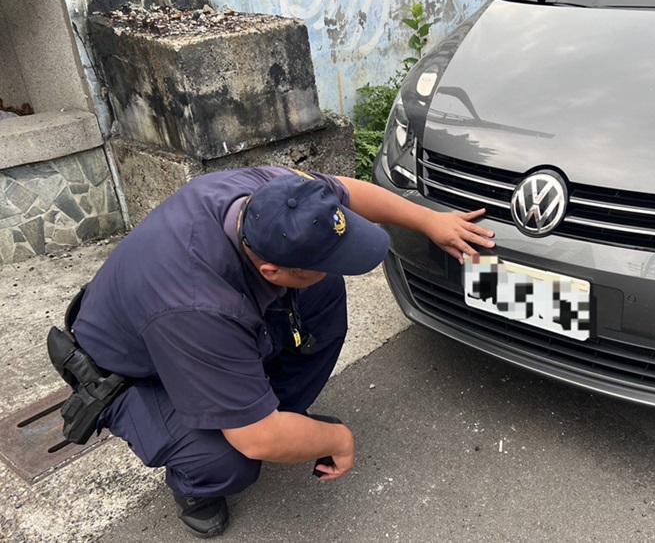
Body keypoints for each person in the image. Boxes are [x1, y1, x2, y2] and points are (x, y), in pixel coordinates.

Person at [65, 166, 495, 537]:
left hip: (180, 318)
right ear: (269, 270)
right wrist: (338, 439)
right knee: (229, 456)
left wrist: (428, 220)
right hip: (128, 372)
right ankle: (194, 485)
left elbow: (344, 190)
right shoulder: (201, 308)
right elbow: (257, 439)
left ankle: (275, 408)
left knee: (321, 288)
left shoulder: (273, 196)